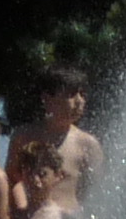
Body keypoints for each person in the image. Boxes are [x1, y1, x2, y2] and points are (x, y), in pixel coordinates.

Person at [12, 65, 100, 210]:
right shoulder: (23, 137)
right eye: (71, 94)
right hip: (30, 218)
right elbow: (12, 179)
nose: (79, 101)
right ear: (47, 98)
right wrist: (23, 209)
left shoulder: (88, 144)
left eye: (82, 94)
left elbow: (96, 193)